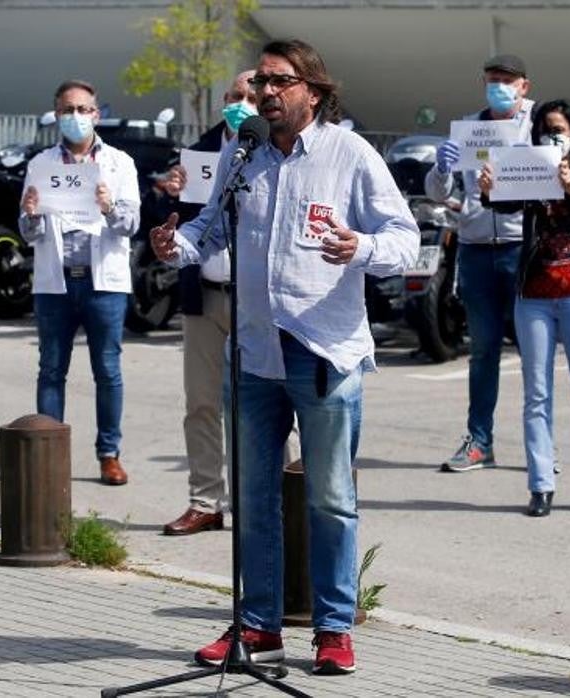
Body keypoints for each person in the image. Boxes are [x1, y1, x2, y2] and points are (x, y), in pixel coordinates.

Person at [152, 39, 418, 675]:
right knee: (254, 498)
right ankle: (257, 625)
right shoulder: (242, 155)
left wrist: (359, 248)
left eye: (277, 83)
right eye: (258, 85)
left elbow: (404, 241)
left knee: (329, 498)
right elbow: (208, 229)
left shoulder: (350, 155)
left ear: (313, 92)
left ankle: (332, 628)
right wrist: (173, 244)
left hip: (323, 351)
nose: (264, 94)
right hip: (254, 353)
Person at [477, 99, 570, 517]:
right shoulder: (531, 165)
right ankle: (541, 486)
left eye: (559, 129)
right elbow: (505, 203)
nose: (551, 136)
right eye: (544, 130)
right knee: (536, 395)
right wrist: (488, 190)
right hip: (534, 293)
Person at [146, 70, 256, 536]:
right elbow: (166, 228)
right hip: (204, 297)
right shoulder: (197, 154)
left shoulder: (277, 148)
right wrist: (165, 196)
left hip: (257, 301)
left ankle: (267, 500)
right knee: (202, 404)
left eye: (252, 95)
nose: (244, 102)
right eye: (235, 96)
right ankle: (206, 500)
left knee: (264, 407)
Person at [20, 79, 141, 486]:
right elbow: (28, 233)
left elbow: (131, 225)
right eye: (68, 110)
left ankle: (109, 453)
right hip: (55, 284)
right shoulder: (40, 164)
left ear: (97, 113)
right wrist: (31, 215)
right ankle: (47, 452)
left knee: (107, 370)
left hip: (103, 282)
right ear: (56, 115)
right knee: (51, 368)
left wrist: (109, 207)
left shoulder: (120, 163)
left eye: (83, 109)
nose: (76, 117)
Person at [425, 54, 536, 472]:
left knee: (534, 351)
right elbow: (439, 193)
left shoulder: (538, 124)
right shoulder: (470, 128)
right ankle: (479, 442)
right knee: (483, 351)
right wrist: (442, 166)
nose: (499, 87)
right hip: (475, 249)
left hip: (522, 249)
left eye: (507, 80)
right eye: (492, 79)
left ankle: (540, 445)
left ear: (524, 86)